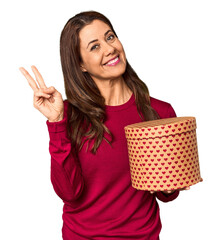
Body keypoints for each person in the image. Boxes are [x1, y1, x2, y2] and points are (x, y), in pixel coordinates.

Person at [19, 10, 190, 240]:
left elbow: (167, 194)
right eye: (94, 46)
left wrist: (171, 186)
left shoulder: (160, 112)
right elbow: (69, 193)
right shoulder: (68, 115)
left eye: (110, 37)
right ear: (81, 65)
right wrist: (56, 123)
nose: (109, 48)